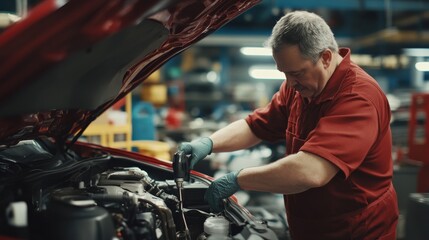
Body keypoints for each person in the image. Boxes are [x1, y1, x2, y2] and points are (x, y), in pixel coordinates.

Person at [178, 10, 398, 239]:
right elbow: (256, 125)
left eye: (296, 73)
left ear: (325, 58)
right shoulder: (300, 88)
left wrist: (238, 179)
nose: (290, 83)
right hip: (310, 227)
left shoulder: (358, 98)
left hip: (356, 231)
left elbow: (311, 171)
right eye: (284, 73)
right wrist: (208, 143)